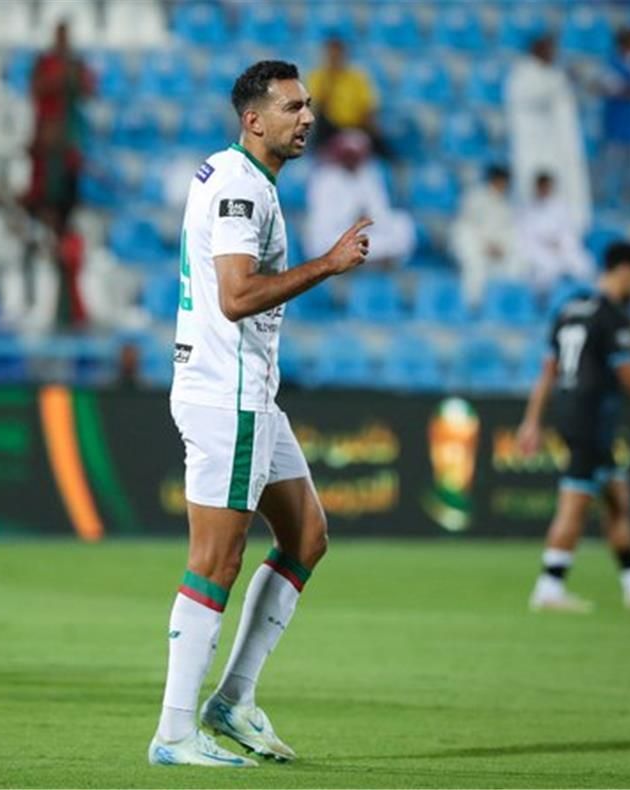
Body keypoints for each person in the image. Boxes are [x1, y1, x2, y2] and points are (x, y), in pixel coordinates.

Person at [150, 60, 371, 768]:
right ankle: (174, 733)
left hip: (248, 394)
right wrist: (328, 264)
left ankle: (233, 700)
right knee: (215, 560)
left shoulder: (230, 174)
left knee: (306, 536)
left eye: (307, 106)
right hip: (229, 395)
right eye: (291, 107)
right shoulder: (242, 188)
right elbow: (237, 296)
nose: (308, 118)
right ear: (253, 120)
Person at [516, 241, 630, 613]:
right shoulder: (611, 316)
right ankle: (549, 587)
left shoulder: (569, 309)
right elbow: (629, 372)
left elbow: (548, 372)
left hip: (571, 412)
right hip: (590, 418)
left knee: (616, 496)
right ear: (625, 270)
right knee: (574, 504)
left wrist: (532, 420)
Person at [506, 34, 591, 232]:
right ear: (536, 50)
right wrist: (561, 82)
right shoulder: (522, 75)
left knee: (562, 189)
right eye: (548, 49)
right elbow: (532, 99)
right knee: (532, 186)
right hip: (534, 145)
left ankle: (564, 228)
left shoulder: (554, 74)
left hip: (558, 145)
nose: (553, 53)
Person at [304, 129, 414, 269]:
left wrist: (369, 218)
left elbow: (380, 211)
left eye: (355, 155)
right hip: (338, 232)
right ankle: (365, 260)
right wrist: (352, 218)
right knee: (321, 237)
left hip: (367, 231)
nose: (352, 159)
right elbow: (323, 218)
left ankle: (371, 260)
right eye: (348, 154)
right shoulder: (325, 178)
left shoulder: (370, 175)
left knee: (402, 222)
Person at [450, 165, 520, 307]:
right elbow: (467, 225)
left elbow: (507, 230)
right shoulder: (475, 198)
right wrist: (484, 246)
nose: (504, 186)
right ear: (494, 180)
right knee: (476, 266)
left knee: (515, 264)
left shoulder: (505, 205)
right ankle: (473, 305)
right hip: (473, 244)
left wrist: (501, 247)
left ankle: (499, 306)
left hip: (496, 248)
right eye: (502, 182)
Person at [516, 171, 596, 297]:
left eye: (547, 187)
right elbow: (525, 234)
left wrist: (560, 242)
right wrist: (545, 243)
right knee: (547, 269)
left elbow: (568, 230)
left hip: (561, 246)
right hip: (539, 248)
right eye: (542, 187)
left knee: (582, 263)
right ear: (536, 187)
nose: (544, 190)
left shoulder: (560, 206)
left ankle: (582, 294)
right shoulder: (527, 209)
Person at [596, 28, 630, 207]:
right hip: (614, 123)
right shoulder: (611, 63)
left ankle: (627, 199)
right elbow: (612, 89)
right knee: (610, 164)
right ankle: (604, 199)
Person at [305, 38, 382, 152]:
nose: (335, 58)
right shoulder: (317, 76)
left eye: (338, 55)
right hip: (330, 127)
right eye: (331, 55)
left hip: (356, 125)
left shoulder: (357, 77)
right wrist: (330, 80)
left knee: (376, 135)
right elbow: (316, 106)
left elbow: (368, 105)